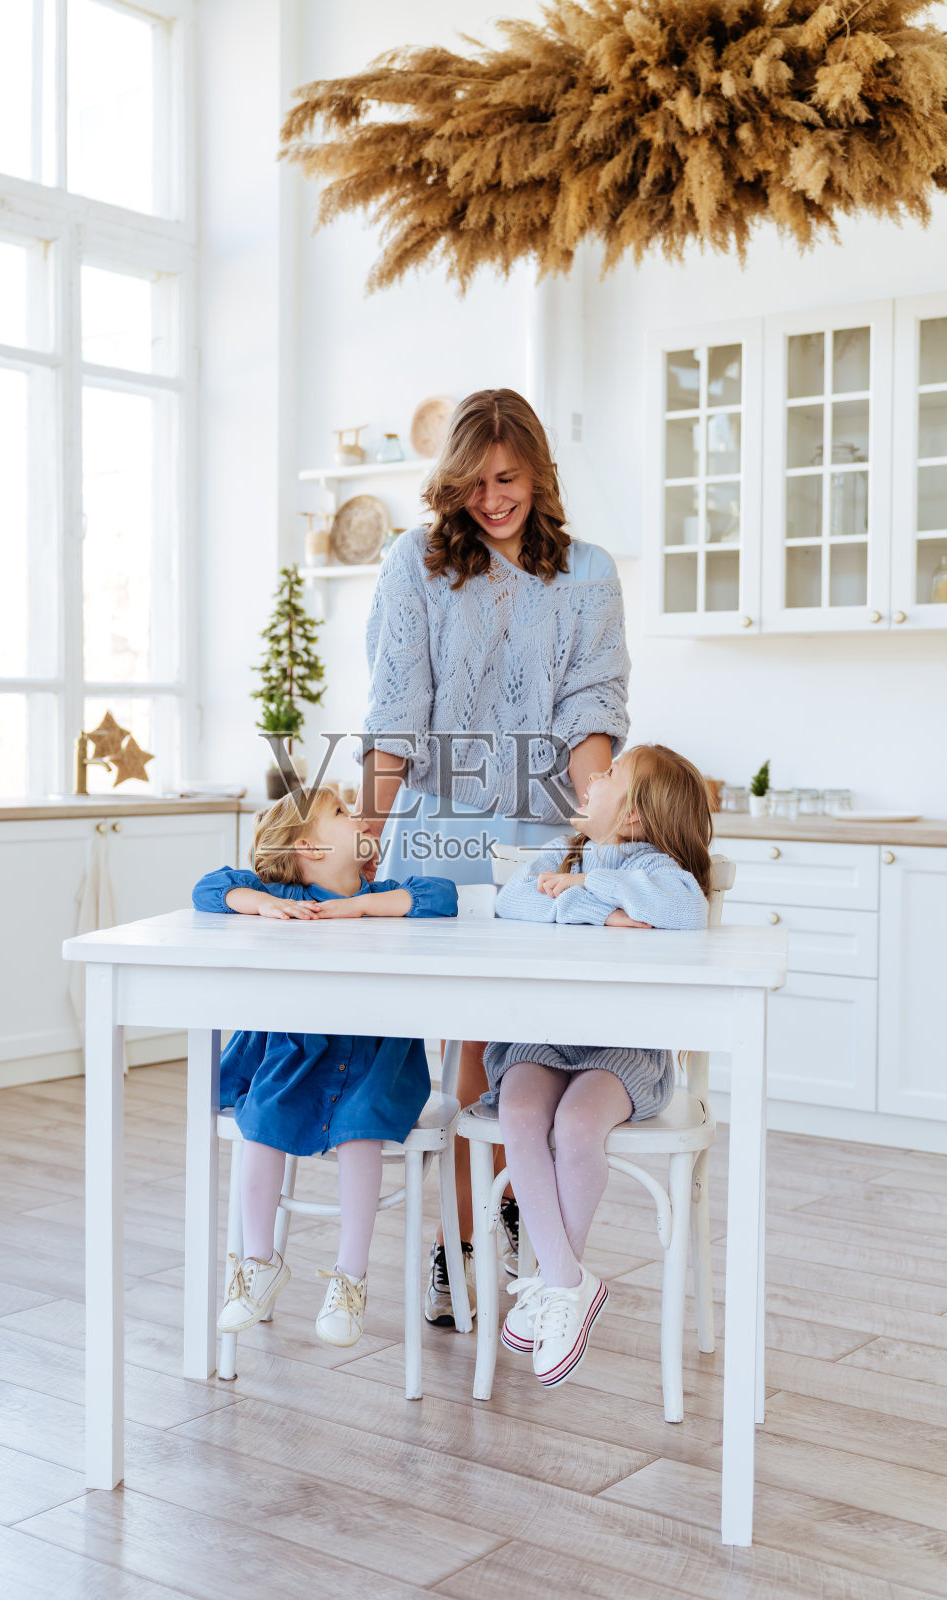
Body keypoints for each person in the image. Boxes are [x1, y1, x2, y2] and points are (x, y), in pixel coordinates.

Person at [354, 387, 630, 1325]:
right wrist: (361, 835)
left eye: (507, 479)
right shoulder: (418, 563)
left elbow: (591, 712)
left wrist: (596, 836)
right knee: (467, 1042)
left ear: (539, 474)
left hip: (542, 834)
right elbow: (395, 714)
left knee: (525, 1042)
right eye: (472, 482)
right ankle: (455, 1247)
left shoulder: (588, 572)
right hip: (440, 826)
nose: (491, 498)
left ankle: (503, 1220)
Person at [191, 786, 457, 1349]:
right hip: (298, 1050)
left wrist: (360, 906)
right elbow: (208, 887)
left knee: (362, 1132)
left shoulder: (383, 893)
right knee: (259, 1120)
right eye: (341, 812)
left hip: (376, 1059)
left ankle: (350, 1278)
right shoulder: (283, 893)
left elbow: (442, 895)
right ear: (309, 847)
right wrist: (261, 904)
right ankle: (258, 1262)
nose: (358, 814)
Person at [487, 744, 712, 1387]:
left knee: (579, 1125)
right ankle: (567, 1284)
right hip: (545, 1037)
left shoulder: (662, 871)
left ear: (636, 816)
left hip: (622, 1047)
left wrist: (591, 886)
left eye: (612, 774)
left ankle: (559, 1283)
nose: (593, 777)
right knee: (522, 1110)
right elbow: (512, 903)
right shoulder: (556, 856)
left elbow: (682, 913)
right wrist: (595, 908)